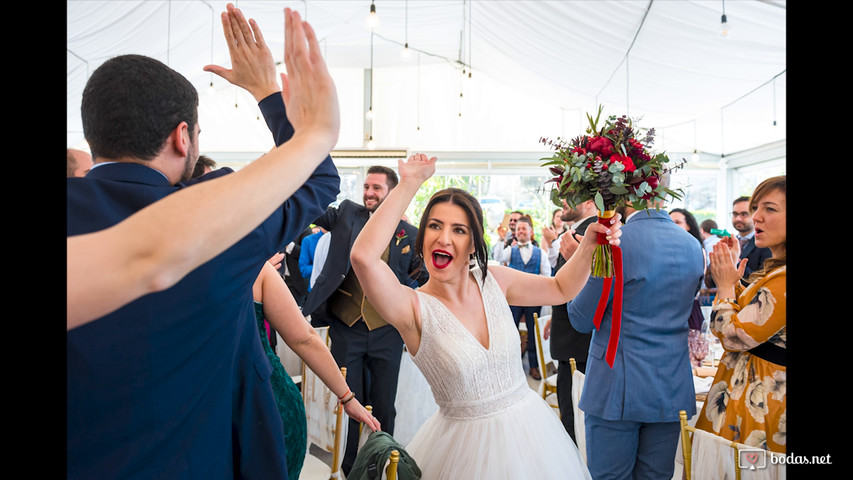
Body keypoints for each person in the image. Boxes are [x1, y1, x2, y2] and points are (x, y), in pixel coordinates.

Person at [67, 6, 339, 478]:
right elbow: (318, 176)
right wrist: (268, 93)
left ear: (94, 135)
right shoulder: (219, 216)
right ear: (182, 137)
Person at [350, 153, 623, 479]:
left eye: (459, 230)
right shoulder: (412, 309)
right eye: (435, 226)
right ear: (422, 236)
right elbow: (363, 258)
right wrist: (409, 182)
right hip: (462, 454)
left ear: (473, 242)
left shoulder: (495, 279)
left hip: (534, 439)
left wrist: (590, 243)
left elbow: (562, 288)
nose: (444, 238)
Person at [568, 180, 704, 480]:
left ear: (623, 193)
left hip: (617, 386)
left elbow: (580, 317)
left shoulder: (616, 243)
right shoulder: (693, 246)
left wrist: (576, 263)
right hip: (671, 385)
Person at [300, 165, 428, 475]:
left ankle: (383, 463)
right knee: (350, 402)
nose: (369, 193)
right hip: (347, 327)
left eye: (377, 188)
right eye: (367, 187)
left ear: (393, 193)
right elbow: (313, 209)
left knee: (384, 404)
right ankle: (349, 467)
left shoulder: (409, 235)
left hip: (388, 331)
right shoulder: (347, 214)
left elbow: (424, 280)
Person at [253, 258, 380, 479]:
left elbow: (305, 339)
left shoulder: (176, 268)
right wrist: (348, 398)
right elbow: (304, 339)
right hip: (267, 410)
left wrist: (348, 398)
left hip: (269, 412)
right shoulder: (255, 267)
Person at [695, 176, 786, 454]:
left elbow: (735, 336)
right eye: (756, 207)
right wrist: (732, 282)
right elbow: (755, 313)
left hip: (761, 400)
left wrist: (724, 286)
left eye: (769, 209)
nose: (756, 217)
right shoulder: (775, 271)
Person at [542, 198, 596, 440]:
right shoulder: (577, 231)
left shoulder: (589, 234)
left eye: (568, 194)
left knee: (574, 425)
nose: (561, 201)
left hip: (578, 344)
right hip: (571, 340)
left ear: (587, 201)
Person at [494, 215, 551, 380]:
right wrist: (501, 237)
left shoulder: (540, 253)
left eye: (523, 228)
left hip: (533, 300)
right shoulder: (510, 251)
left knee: (534, 333)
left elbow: (546, 276)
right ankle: (510, 366)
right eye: (518, 229)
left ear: (531, 232)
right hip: (513, 299)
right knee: (510, 331)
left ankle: (534, 366)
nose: (520, 231)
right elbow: (498, 257)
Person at [705, 196, 772, 289]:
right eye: (735, 214)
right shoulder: (728, 243)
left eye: (744, 214)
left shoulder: (766, 244)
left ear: (756, 215)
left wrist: (734, 261)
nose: (738, 219)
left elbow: (761, 281)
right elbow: (712, 282)